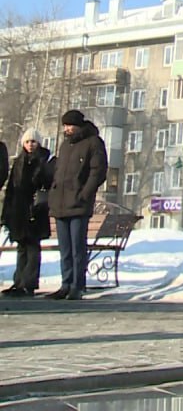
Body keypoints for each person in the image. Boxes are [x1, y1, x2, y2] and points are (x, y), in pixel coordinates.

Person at [47, 109, 108, 300]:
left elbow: (98, 171)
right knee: (65, 249)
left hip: (79, 203)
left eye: (70, 125)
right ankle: (66, 283)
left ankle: (77, 285)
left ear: (79, 125)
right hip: (61, 203)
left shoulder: (93, 142)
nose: (67, 129)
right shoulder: (65, 146)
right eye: (65, 126)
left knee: (77, 248)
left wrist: (85, 194)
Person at [1, 130, 53, 296]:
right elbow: (11, 188)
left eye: (34, 141)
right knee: (21, 246)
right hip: (19, 209)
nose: (30, 145)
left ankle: (29, 283)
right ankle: (19, 282)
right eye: (27, 142)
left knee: (32, 246)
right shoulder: (19, 161)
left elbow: (47, 183)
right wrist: (6, 213)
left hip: (35, 209)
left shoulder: (44, 160)